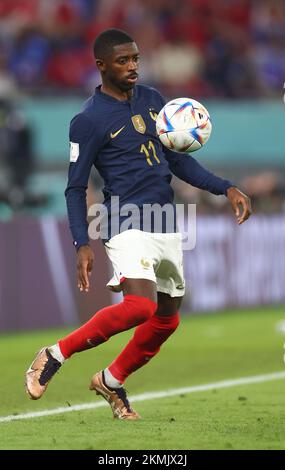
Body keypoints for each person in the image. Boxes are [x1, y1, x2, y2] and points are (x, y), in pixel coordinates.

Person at [25, 29, 252, 420]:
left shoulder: (152, 101)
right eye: (123, 61)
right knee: (139, 306)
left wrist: (226, 187)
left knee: (167, 318)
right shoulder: (88, 121)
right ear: (101, 66)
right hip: (123, 218)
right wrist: (82, 242)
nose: (132, 66)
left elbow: (178, 161)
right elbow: (75, 187)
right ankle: (54, 354)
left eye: (135, 59)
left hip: (164, 218)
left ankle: (111, 381)